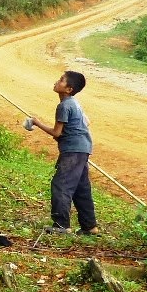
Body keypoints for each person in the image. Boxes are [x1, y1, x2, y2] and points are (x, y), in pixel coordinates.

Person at [26, 70, 98, 235]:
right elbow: (86, 122)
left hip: (73, 151)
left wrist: (36, 122)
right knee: (81, 188)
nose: (57, 82)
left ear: (68, 89)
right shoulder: (74, 103)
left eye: (61, 80)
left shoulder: (64, 105)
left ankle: (61, 226)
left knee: (61, 186)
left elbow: (57, 133)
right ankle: (90, 226)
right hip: (82, 148)